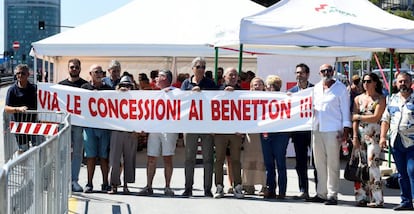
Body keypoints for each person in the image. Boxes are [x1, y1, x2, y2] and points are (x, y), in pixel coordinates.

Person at [306, 64, 351, 205]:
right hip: (317, 128)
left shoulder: (341, 88)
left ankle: (332, 194)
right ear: (319, 73)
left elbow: (345, 111)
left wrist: (346, 131)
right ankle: (321, 193)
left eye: (329, 70)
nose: (326, 73)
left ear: (333, 72)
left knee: (333, 163)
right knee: (319, 163)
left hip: (333, 130)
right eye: (324, 71)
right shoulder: (315, 88)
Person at [137, 69, 178, 197]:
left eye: (158, 77)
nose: (155, 79)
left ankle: (167, 186)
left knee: (167, 158)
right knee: (151, 157)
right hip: (155, 129)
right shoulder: (154, 94)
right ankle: (149, 186)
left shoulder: (177, 93)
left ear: (165, 78)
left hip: (169, 129)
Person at [181, 57, 217, 197]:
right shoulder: (186, 83)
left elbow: (216, 102)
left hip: (206, 125)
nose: (201, 69)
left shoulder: (210, 83)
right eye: (198, 66)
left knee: (208, 158)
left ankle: (207, 189)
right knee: (189, 158)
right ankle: (188, 187)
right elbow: (180, 101)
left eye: (203, 66)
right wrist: (190, 93)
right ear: (192, 69)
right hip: (190, 125)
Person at [380, 71, 414, 211]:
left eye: (405, 81)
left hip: (412, 142)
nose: (403, 84)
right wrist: (383, 137)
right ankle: (406, 201)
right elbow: (385, 120)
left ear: (411, 82)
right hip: (396, 141)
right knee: (401, 174)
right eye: (400, 81)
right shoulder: (392, 99)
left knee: (412, 171)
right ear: (396, 83)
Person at [351, 73, 386, 207]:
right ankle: (361, 196)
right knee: (361, 166)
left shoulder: (380, 99)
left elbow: (376, 117)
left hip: (374, 137)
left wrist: (358, 116)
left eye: (369, 81)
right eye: (364, 81)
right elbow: (353, 120)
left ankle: (377, 199)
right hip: (360, 136)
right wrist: (354, 136)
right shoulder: (358, 98)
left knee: (373, 165)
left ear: (375, 82)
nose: (366, 83)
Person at [213, 67, 244, 199]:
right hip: (221, 131)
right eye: (230, 75)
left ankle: (237, 187)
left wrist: (243, 129)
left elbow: (246, 110)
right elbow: (211, 106)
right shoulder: (217, 90)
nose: (233, 77)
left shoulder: (243, 92)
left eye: (235, 75)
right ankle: (219, 187)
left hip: (236, 132)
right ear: (224, 77)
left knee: (236, 160)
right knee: (219, 160)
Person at [58, 58, 88, 192]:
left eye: (76, 67)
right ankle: (63, 179)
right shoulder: (61, 86)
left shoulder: (86, 86)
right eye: (72, 67)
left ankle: (74, 180)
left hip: (79, 124)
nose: (74, 69)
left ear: (80, 69)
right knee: (62, 152)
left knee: (77, 153)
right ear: (68, 68)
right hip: (64, 123)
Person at [81, 64, 113, 193]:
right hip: (89, 127)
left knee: (104, 156)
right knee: (91, 156)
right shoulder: (84, 88)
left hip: (104, 127)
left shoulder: (108, 89)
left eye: (102, 72)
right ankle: (89, 183)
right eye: (97, 72)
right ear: (90, 74)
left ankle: (105, 183)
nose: (100, 74)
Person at [288, 63, 316, 200]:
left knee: (317, 162)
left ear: (308, 74)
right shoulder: (291, 92)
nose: (299, 75)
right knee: (300, 163)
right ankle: (303, 190)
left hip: (313, 132)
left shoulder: (315, 90)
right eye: (297, 73)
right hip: (298, 133)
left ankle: (320, 191)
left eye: (302, 73)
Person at [260, 75, 291, 199]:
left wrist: (291, 98)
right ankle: (271, 189)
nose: (272, 88)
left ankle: (282, 191)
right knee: (268, 163)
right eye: (270, 85)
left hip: (281, 134)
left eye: (275, 85)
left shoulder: (285, 97)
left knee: (280, 163)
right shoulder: (262, 98)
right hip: (266, 133)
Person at [107, 75, 139, 194]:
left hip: (131, 132)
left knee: (129, 159)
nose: (126, 88)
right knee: (115, 160)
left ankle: (126, 185)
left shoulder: (137, 98)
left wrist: (138, 130)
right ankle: (114, 185)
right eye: (123, 85)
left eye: (128, 85)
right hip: (117, 130)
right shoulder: (114, 96)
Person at [242, 77, 267, 196]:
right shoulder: (245, 98)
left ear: (263, 86)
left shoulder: (269, 98)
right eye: (254, 85)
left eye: (259, 84)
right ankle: (248, 185)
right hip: (250, 134)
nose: (257, 86)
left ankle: (264, 185)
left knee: (263, 159)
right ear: (251, 87)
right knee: (249, 158)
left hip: (264, 133)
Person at [5, 64, 37, 154]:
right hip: (19, 126)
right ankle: (25, 168)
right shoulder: (11, 90)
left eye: (23, 73)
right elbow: (7, 108)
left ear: (28, 74)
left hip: (35, 125)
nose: (20, 75)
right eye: (18, 73)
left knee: (38, 150)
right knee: (23, 152)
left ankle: (36, 168)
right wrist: (18, 109)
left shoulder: (34, 89)